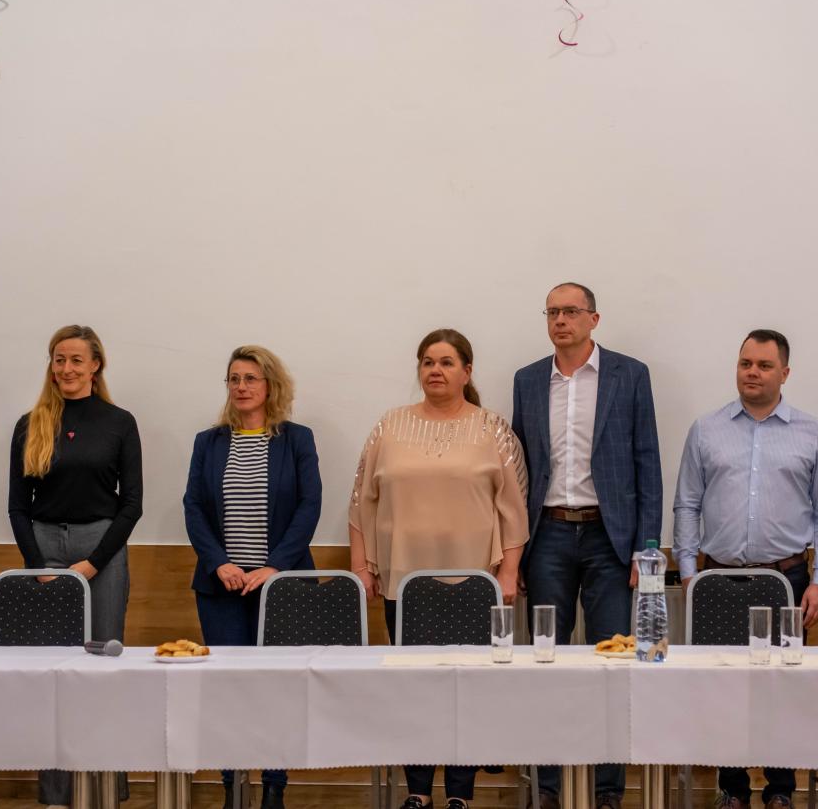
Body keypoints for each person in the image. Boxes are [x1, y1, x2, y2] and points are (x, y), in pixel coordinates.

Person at [350, 328, 529, 809]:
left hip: (474, 584)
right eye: (428, 362)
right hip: (404, 583)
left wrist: (508, 572)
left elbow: (514, 509)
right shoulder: (389, 427)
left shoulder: (493, 429)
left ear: (467, 372)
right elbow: (361, 501)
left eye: (447, 362)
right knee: (413, 689)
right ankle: (417, 791)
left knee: (465, 690)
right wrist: (361, 566)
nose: (435, 370)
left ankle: (460, 795)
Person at [673, 329, 818, 809]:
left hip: (785, 581)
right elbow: (686, 504)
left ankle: (780, 791)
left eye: (764, 365)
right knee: (723, 689)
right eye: (745, 363)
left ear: (784, 373)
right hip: (717, 580)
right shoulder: (706, 429)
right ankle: (732, 790)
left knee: (781, 690)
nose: (752, 372)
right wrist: (687, 571)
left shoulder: (812, 432)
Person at [511, 282, 661, 809]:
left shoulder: (629, 374)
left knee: (612, 662)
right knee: (545, 661)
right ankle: (547, 788)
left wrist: (646, 548)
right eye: (552, 312)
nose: (560, 320)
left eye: (571, 311)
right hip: (547, 533)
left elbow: (647, 463)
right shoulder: (528, 380)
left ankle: (607, 790)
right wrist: (515, 548)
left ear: (594, 319)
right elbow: (519, 470)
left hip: (609, 538)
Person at [8, 324, 143, 807]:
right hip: (45, 547)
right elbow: (18, 507)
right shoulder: (30, 423)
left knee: (103, 669)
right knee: (53, 673)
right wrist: (37, 565)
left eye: (76, 360)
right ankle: (55, 794)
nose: (66, 368)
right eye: (59, 359)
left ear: (95, 366)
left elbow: (132, 504)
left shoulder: (119, 422)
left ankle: (108, 788)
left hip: (101, 548)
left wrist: (94, 563)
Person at [183, 345, 322, 809]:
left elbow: (309, 506)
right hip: (221, 588)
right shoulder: (209, 442)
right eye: (234, 379)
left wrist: (274, 567)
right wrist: (217, 561)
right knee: (229, 690)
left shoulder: (296, 439)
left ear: (270, 386)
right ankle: (233, 786)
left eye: (250, 379)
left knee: (276, 689)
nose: (241, 387)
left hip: (281, 588)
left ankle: (274, 787)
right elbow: (194, 507)